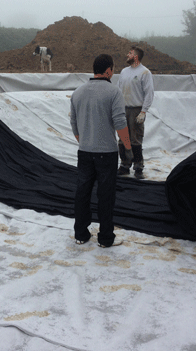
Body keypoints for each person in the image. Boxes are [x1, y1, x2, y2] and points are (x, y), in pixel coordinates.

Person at [70, 54, 134, 248]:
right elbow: (120, 123)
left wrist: (85, 141)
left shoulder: (78, 92)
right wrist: (128, 147)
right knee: (106, 196)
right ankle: (105, 238)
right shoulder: (113, 92)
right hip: (106, 153)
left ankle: (81, 234)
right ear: (108, 71)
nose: (113, 73)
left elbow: (74, 124)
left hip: (85, 152)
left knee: (83, 192)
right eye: (113, 69)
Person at [116, 46, 154, 179]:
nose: (127, 55)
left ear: (136, 57)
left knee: (135, 140)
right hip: (123, 109)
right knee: (122, 139)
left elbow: (149, 93)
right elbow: (118, 90)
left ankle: (138, 167)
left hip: (136, 110)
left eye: (130, 53)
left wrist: (143, 111)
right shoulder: (124, 72)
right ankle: (124, 166)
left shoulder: (145, 73)